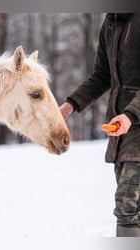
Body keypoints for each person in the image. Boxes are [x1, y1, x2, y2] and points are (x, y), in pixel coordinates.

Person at [60, 13, 140, 237]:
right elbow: (102, 76)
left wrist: (130, 115)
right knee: (132, 211)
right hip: (123, 133)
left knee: (127, 205)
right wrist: (70, 105)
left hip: (133, 124)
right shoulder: (111, 23)